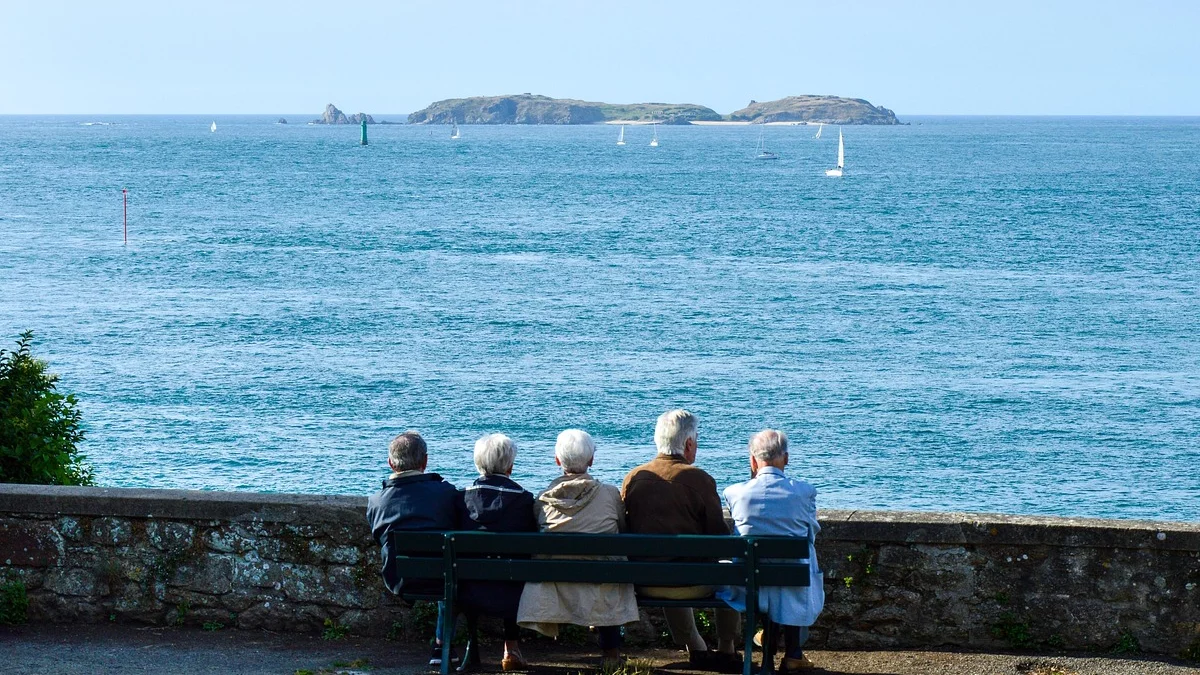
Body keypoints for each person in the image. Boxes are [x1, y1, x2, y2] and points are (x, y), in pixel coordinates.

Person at [621, 409, 741, 672]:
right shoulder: (699, 479)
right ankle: (726, 648)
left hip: (645, 581)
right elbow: (720, 537)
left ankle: (696, 647)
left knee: (666, 564)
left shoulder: (634, 478)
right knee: (730, 568)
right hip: (692, 583)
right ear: (688, 444)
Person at [517, 429, 639, 666]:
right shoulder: (610, 494)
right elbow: (622, 530)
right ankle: (611, 654)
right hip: (603, 583)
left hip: (556, 584)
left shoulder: (543, 500)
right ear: (591, 460)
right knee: (608, 570)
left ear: (557, 460)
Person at [721, 430, 824, 673]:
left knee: (768, 577)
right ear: (785, 459)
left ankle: (769, 649)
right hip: (792, 581)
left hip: (748, 584)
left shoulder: (734, 493)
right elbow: (811, 534)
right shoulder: (804, 492)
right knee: (799, 562)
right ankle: (793, 652)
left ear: (753, 460)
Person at [365, 431, 461, 667]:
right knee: (448, 566)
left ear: (390, 463)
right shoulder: (447, 494)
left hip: (400, 578)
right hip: (443, 578)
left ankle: (441, 644)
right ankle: (441, 644)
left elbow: (379, 538)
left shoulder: (377, 501)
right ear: (425, 461)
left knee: (444, 565)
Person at [457, 433, 538, 671]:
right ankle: (511, 647)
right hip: (513, 592)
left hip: (467, 590)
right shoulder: (524, 500)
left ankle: (462, 646)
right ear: (510, 466)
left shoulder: (460, 498)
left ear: (477, 464)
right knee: (513, 568)